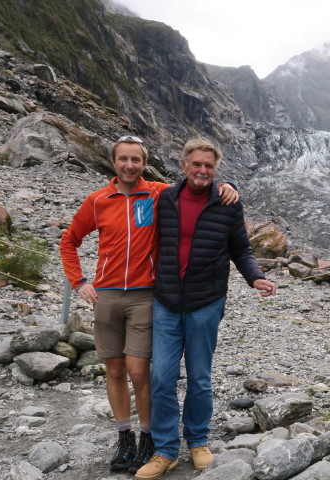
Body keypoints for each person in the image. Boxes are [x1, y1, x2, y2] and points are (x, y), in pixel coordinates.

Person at [60, 135, 238, 473]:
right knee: (113, 369)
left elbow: (195, 185)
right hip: (107, 294)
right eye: (123, 159)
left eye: (136, 160)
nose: (130, 165)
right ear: (113, 162)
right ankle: (124, 436)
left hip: (145, 293)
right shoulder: (98, 200)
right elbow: (70, 240)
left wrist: (225, 186)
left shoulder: (158, 192)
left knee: (140, 372)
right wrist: (78, 281)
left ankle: (150, 438)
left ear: (144, 163)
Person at [135, 138, 276, 480]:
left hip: (206, 303)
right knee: (161, 377)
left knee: (199, 378)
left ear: (216, 170)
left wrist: (254, 277)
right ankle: (166, 450)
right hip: (167, 301)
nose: (202, 171)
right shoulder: (166, 197)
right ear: (184, 165)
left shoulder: (228, 204)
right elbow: (134, 192)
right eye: (196, 164)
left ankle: (198, 441)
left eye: (209, 166)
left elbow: (240, 249)